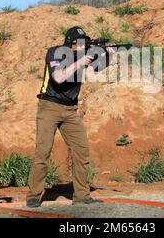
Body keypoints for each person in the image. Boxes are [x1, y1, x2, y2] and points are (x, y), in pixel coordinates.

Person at [26, 27, 115, 208]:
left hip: (70, 110)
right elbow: (58, 77)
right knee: (43, 153)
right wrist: (80, 61)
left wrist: (109, 55)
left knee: (81, 151)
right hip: (49, 107)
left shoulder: (83, 55)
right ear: (71, 43)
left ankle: (82, 195)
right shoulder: (55, 53)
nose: (84, 45)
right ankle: (33, 196)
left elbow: (100, 67)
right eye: (80, 42)